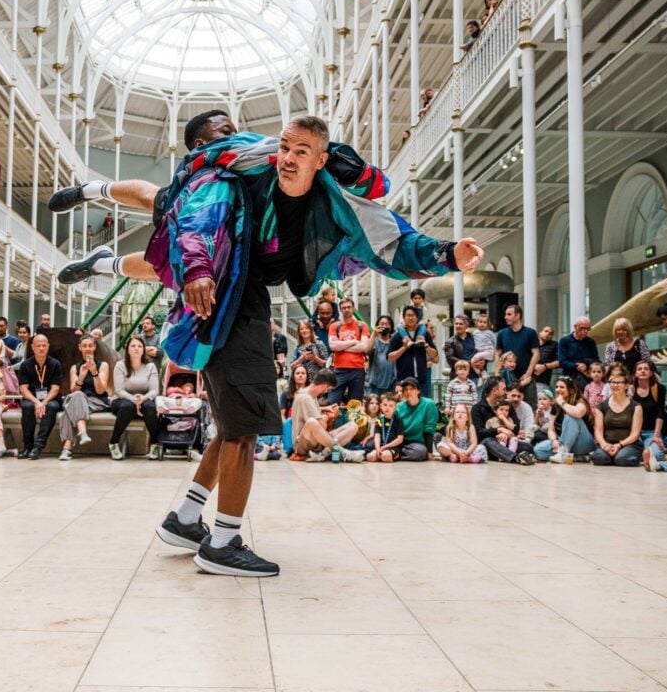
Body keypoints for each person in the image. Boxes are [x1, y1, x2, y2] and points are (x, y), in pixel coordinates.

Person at [150, 116, 482, 576]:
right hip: (228, 304)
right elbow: (198, 220)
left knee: (231, 425)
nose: (286, 158)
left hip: (242, 303)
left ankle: (186, 520)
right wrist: (198, 269)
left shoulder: (332, 201)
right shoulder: (236, 177)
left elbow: (391, 239)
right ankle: (221, 544)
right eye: (284, 147)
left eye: (300, 152)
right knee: (244, 429)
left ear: (321, 160)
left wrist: (447, 255)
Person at [53, 110, 239, 284]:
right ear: (201, 144)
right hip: (199, 192)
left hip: (231, 225)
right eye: (226, 131)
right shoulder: (205, 168)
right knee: (153, 199)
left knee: (166, 266)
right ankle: (92, 190)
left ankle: (100, 264)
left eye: (235, 132)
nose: (235, 137)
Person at [289, 369, 361, 463]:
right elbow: (321, 425)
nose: (327, 391)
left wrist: (325, 408)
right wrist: (329, 416)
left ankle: (323, 454)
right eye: (328, 389)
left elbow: (311, 410)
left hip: (315, 440)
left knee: (353, 426)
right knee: (312, 422)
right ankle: (342, 452)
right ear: (324, 386)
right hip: (302, 443)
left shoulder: (305, 393)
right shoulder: (306, 398)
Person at [57, 335, 110, 461]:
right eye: (84, 346)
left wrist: (94, 372)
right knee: (77, 396)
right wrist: (81, 376)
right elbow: (74, 390)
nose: (87, 348)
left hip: (97, 401)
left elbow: (101, 390)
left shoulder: (103, 365)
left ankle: (67, 448)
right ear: (80, 348)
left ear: (95, 347)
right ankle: (81, 434)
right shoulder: (75, 368)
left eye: (90, 346)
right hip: (79, 400)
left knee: (70, 408)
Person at [109, 336, 160, 460]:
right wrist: (134, 399)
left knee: (150, 407)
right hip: (121, 400)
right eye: (133, 346)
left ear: (143, 350)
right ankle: (113, 443)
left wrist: (143, 398)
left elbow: (154, 390)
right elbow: (119, 390)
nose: (136, 348)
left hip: (144, 399)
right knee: (128, 406)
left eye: (139, 346)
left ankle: (155, 443)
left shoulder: (150, 366)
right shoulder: (120, 365)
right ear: (127, 349)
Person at [471, 375, 537, 464]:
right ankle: (515, 457)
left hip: (508, 441)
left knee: (528, 447)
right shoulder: (477, 408)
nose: (506, 392)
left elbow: (516, 427)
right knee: (487, 442)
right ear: (494, 390)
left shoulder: (507, 405)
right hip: (491, 442)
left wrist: (508, 433)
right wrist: (499, 430)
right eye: (504, 389)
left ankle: (504, 455)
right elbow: (480, 432)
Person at [16, 334, 62, 459]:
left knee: (52, 407)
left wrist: (43, 402)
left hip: (50, 399)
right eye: (38, 346)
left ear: (48, 347)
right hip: (32, 398)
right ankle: (28, 447)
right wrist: (37, 402)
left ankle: (38, 447)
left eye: (44, 345)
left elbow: (55, 388)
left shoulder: (55, 364)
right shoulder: (25, 365)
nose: (41, 348)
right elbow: (23, 389)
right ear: (32, 347)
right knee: (27, 406)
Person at [591, 364, 644, 467]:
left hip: (628, 444)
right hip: (607, 443)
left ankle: (623, 456)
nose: (615, 385)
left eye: (619, 382)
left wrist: (619, 445)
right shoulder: (601, 406)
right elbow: (598, 431)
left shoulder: (636, 406)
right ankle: (612, 455)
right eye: (612, 382)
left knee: (622, 459)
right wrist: (604, 445)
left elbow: (635, 434)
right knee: (599, 458)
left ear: (626, 385)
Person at [387, 305, 439, 398]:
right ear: (404, 318)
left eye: (413, 315)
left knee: (423, 404)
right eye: (408, 315)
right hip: (404, 380)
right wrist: (404, 347)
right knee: (405, 404)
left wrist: (425, 345)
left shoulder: (424, 334)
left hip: (421, 380)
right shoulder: (398, 336)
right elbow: (389, 357)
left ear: (417, 318)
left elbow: (435, 355)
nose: (410, 318)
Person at [327, 298, 371, 403]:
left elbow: (364, 347)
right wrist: (354, 341)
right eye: (343, 308)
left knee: (355, 405)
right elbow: (333, 346)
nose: (346, 309)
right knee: (332, 402)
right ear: (340, 310)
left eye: (349, 307)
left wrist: (341, 346)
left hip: (357, 370)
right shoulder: (334, 326)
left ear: (353, 308)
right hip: (339, 369)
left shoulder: (362, 326)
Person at [393, 377, 439, 461]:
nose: (408, 392)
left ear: (418, 391)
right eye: (406, 389)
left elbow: (429, 429)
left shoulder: (429, 404)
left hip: (416, 444)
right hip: (399, 441)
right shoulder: (398, 407)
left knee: (420, 452)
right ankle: (393, 452)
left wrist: (429, 452)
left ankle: (395, 454)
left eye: (412, 389)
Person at [557, 316, 599, 388]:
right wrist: (576, 366)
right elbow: (562, 361)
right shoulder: (564, 341)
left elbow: (596, 360)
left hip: (587, 379)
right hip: (569, 379)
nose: (585, 331)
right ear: (575, 327)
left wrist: (586, 365)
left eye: (588, 329)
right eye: (582, 328)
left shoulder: (591, 342)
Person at [366, 392, 405, 462]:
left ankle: (394, 456)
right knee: (370, 457)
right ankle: (380, 455)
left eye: (391, 406)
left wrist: (385, 447)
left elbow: (400, 439)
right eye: (385, 405)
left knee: (385, 456)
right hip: (381, 446)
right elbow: (377, 436)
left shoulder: (398, 420)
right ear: (381, 406)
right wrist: (378, 448)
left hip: (393, 447)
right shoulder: (379, 420)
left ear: (395, 408)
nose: (387, 408)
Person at [366, 315, 396, 395]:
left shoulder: (394, 343)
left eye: (387, 324)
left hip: (390, 385)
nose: (384, 326)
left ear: (391, 327)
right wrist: (374, 334)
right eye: (382, 324)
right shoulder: (373, 341)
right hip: (373, 385)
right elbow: (367, 351)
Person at [532, 325, 558, 394]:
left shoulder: (554, 345)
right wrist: (534, 366)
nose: (548, 334)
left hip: (542, 381)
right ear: (540, 332)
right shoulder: (531, 343)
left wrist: (545, 366)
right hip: (526, 379)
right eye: (546, 331)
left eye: (551, 333)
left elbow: (559, 362)